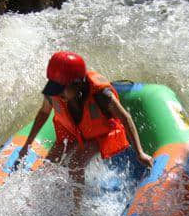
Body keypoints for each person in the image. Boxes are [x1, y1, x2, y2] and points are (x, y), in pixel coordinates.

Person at [17, 51, 153, 201]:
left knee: (75, 164)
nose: (58, 93)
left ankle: (75, 210)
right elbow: (43, 113)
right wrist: (27, 144)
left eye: (61, 88)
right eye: (55, 87)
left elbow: (125, 118)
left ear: (78, 84)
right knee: (48, 164)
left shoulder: (102, 95)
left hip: (100, 134)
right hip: (73, 131)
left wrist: (140, 152)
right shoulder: (55, 90)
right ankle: (44, 200)